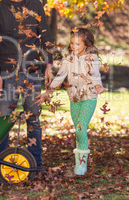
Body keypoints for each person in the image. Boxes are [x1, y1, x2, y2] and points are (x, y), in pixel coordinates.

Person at [0, 0, 54, 168]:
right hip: (7, 74)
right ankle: (1, 163)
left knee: (33, 119)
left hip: (33, 73)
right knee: (3, 120)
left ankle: (36, 163)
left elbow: (47, 37)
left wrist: (49, 65)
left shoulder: (35, 5)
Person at [37, 28, 107, 175]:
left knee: (81, 127)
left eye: (78, 44)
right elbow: (60, 77)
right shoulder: (68, 59)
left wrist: (98, 86)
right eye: (72, 44)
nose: (74, 47)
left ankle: (82, 166)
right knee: (78, 130)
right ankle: (78, 165)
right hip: (74, 98)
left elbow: (95, 75)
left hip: (89, 97)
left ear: (86, 45)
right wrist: (47, 93)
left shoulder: (92, 58)